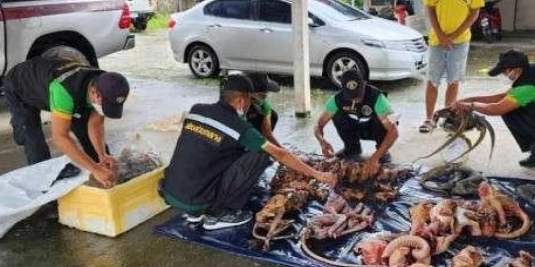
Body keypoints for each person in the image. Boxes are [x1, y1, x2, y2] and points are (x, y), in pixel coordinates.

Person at [161, 75, 336, 230]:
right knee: (261, 154)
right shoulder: (239, 126)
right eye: (250, 101)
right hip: (200, 199)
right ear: (240, 100)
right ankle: (219, 215)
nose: (250, 105)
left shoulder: (197, 109)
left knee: (210, 154)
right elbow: (280, 154)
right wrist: (318, 175)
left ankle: (194, 213)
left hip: (171, 192)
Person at [452, 50, 535, 182]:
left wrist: (469, 105)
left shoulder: (529, 87)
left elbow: (495, 108)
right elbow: (501, 97)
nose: (504, 75)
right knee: (510, 111)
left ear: (516, 70)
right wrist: (467, 100)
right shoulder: (531, 71)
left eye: (505, 71)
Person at [3, 54, 130, 188]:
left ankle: (101, 175)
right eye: (105, 106)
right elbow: (60, 137)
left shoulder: (106, 85)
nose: (105, 110)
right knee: (34, 141)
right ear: (94, 93)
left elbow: (95, 124)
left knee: (88, 138)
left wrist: (102, 155)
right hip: (21, 86)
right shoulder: (64, 90)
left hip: (55, 85)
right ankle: (45, 191)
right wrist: (95, 169)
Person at [419, 0, 485, 133]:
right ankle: (429, 118)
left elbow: (474, 12)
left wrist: (453, 36)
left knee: (453, 80)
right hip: (436, 40)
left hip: (460, 40)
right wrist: (440, 35)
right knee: (432, 80)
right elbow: (430, 8)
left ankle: (447, 118)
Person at [315, 69, 399, 179]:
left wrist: (374, 158)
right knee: (337, 114)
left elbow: (394, 132)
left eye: (358, 94)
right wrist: (322, 141)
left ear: (364, 83)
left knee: (382, 121)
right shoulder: (337, 100)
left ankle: (382, 153)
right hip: (355, 128)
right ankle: (352, 148)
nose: (356, 99)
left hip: (374, 129)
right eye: (351, 95)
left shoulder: (378, 98)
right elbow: (318, 125)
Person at [246, 73, 281, 147]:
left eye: (265, 93)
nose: (266, 95)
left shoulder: (264, 104)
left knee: (273, 116)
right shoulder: (238, 105)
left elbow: (267, 133)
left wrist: (283, 150)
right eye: (263, 94)